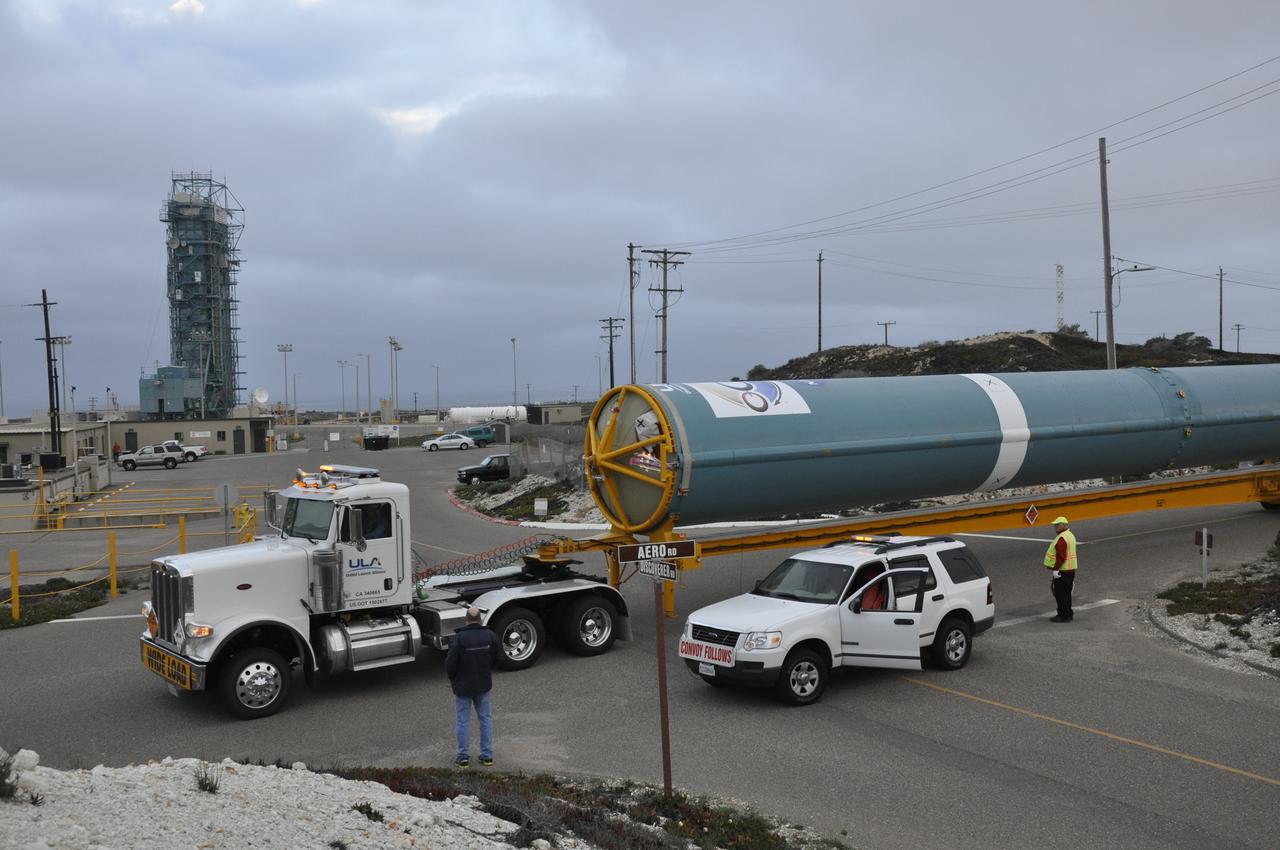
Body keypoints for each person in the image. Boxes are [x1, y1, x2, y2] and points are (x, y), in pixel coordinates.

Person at [445, 606, 500, 768]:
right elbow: (497, 659)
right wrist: (487, 671)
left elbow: (450, 664)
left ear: (466, 620)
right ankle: (487, 756)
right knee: (486, 719)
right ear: (480, 620)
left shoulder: (459, 638)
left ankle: (463, 757)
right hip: (483, 685)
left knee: (463, 721)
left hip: (463, 686)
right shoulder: (490, 635)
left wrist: (454, 678)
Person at [1044, 516, 1078, 622]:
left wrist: (1056, 569)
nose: (1055, 527)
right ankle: (1068, 613)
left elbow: (1061, 556)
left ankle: (1063, 615)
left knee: (1060, 594)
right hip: (1070, 570)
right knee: (1067, 594)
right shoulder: (1070, 535)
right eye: (1055, 525)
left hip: (1062, 571)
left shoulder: (1062, 538)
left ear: (1064, 525)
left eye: (1057, 525)